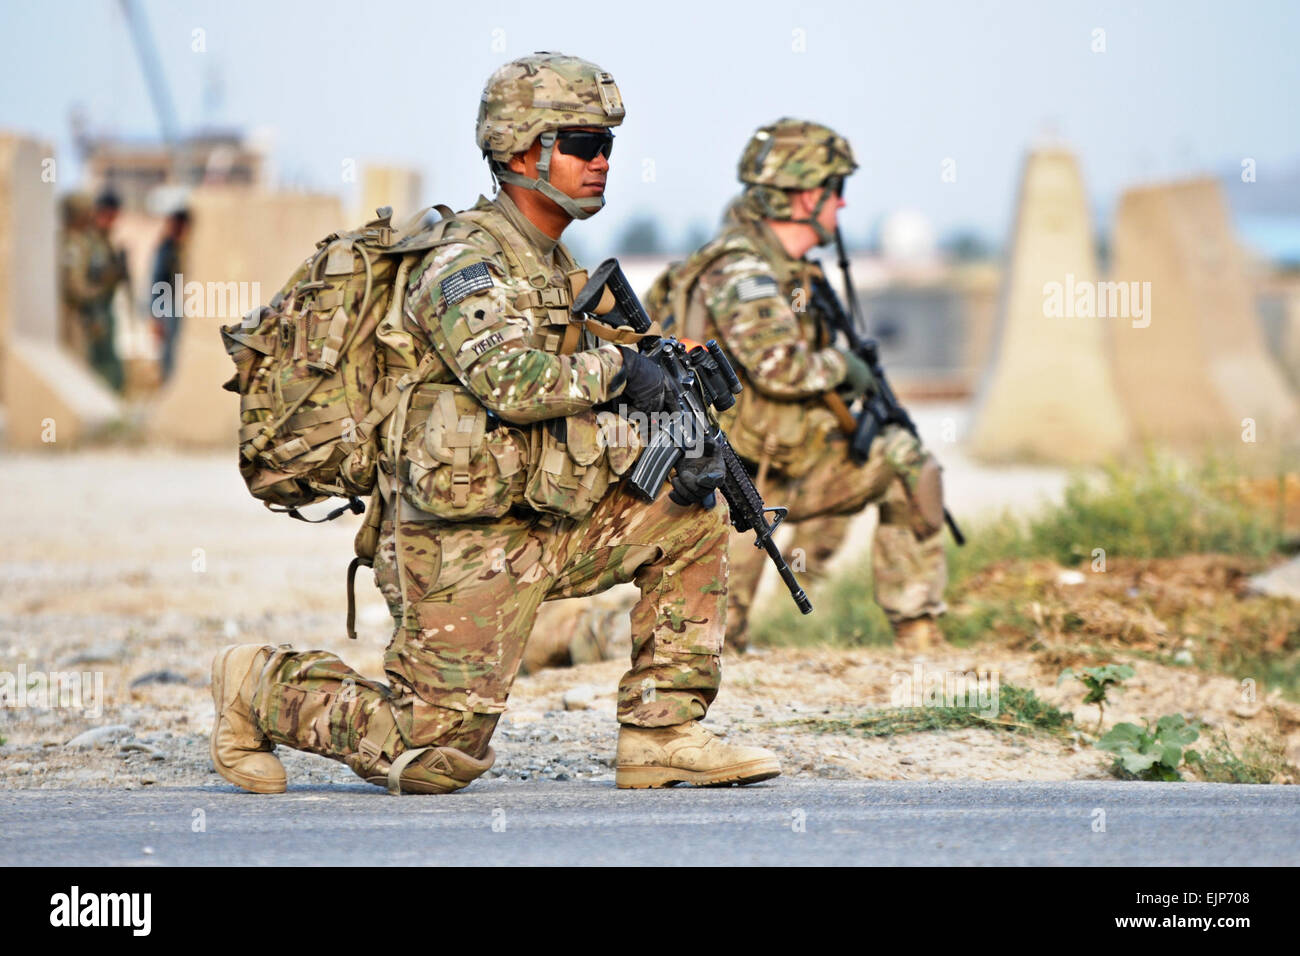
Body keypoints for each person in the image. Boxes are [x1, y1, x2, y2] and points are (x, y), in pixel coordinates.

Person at [210, 52, 781, 796]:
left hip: (547, 518)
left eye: (608, 144)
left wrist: (670, 377)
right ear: (522, 148)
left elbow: (583, 392)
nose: (601, 161)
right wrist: (623, 374)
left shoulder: (552, 265)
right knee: (434, 760)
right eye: (581, 144)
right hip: (458, 540)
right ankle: (259, 685)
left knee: (692, 513)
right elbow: (511, 382)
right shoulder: (464, 262)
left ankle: (662, 734)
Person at [647, 118, 949, 653]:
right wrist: (842, 367)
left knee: (906, 462)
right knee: (705, 643)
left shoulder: (789, 271)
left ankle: (919, 635)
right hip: (722, 484)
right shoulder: (740, 269)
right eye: (838, 190)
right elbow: (780, 366)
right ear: (807, 195)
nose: (843, 206)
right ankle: (563, 639)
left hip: (785, 468)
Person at [62, 189, 128, 392]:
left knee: (108, 369)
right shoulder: (80, 242)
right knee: (91, 369)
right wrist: (104, 282)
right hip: (87, 315)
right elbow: (77, 286)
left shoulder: (100, 241)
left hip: (101, 311)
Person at [150, 208, 190, 382]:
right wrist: (156, 316)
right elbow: (158, 282)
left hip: (174, 305)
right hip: (168, 307)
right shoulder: (166, 249)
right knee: (168, 352)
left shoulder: (175, 248)